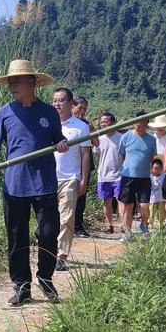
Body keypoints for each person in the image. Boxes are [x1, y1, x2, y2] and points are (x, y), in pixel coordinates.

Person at [0, 59, 69, 306]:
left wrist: (60, 145)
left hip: (45, 184)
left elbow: (57, 141)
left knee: (48, 233)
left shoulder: (49, 112)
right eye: (9, 82)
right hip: (14, 186)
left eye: (16, 81)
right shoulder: (5, 112)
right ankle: (22, 286)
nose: (11, 86)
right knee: (16, 237)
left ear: (32, 82)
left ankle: (45, 279)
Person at [51, 88, 91, 272]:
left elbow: (85, 154)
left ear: (70, 103)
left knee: (66, 217)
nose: (57, 104)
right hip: (48, 178)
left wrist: (83, 179)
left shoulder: (80, 127)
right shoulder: (48, 123)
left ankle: (61, 255)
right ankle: (49, 250)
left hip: (70, 178)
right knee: (50, 218)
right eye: (55, 101)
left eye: (61, 100)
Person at [118, 116, 155, 242]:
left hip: (144, 177)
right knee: (128, 205)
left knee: (144, 204)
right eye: (139, 126)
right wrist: (128, 167)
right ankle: (127, 233)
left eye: (144, 126)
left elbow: (152, 157)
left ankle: (143, 225)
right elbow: (122, 155)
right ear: (134, 123)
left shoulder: (151, 139)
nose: (142, 128)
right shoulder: (126, 137)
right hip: (127, 176)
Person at [72, 96, 97, 237]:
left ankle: (78, 226)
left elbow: (96, 143)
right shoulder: (67, 123)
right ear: (72, 107)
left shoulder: (86, 124)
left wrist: (92, 131)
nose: (82, 111)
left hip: (85, 165)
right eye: (79, 108)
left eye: (84, 109)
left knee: (81, 196)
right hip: (71, 165)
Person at [95, 113, 122, 233]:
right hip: (104, 174)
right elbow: (97, 154)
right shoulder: (99, 139)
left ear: (113, 123)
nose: (104, 124)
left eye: (106, 121)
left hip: (119, 174)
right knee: (106, 200)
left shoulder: (121, 138)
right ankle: (109, 224)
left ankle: (123, 225)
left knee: (120, 199)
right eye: (102, 122)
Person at [149, 157, 166, 229]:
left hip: (162, 198)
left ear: (162, 169)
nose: (156, 170)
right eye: (155, 168)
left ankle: (161, 224)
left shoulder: (164, 176)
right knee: (151, 212)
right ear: (152, 169)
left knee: (161, 212)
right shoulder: (150, 176)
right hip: (152, 199)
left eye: (158, 169)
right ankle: (150, 224)